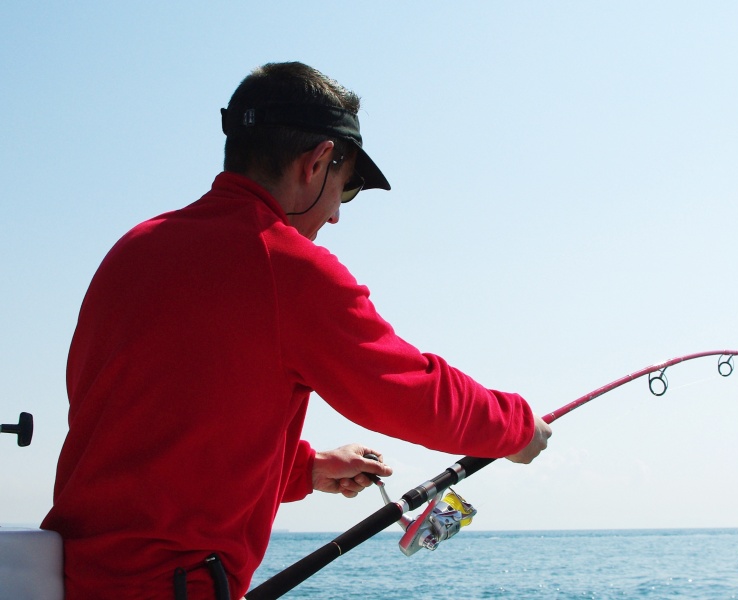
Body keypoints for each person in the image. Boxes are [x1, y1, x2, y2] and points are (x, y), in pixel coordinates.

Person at [41, 61, 552, 599]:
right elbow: (408, 390)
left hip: (71, 580)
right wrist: (516, 427)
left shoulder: (133, 251)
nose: (334, 217)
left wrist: (306, 469)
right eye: (347, 187)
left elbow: (150, 435)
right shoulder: (283, 265)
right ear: (317, 162)